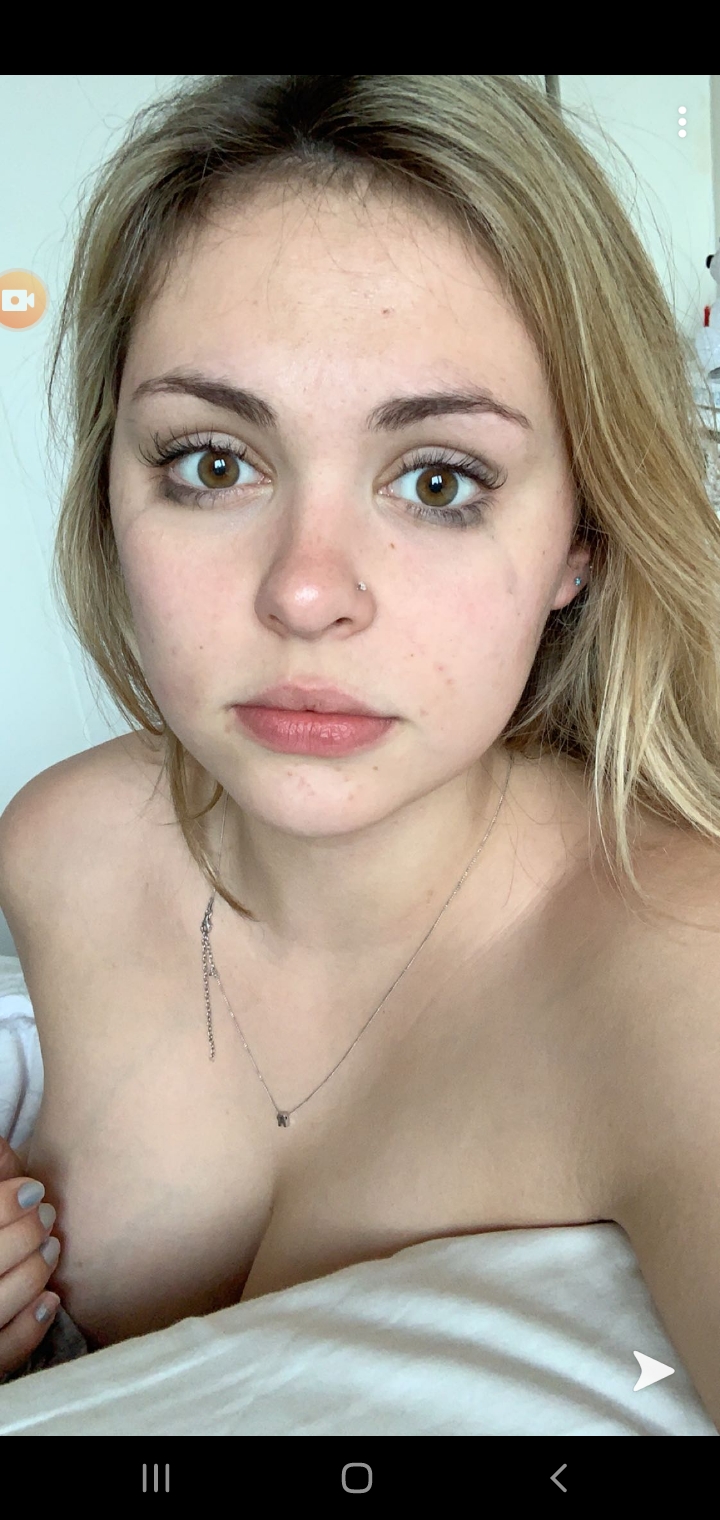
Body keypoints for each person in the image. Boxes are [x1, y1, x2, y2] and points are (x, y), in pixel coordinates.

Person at [1, 76, 719, 1424]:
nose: (306, 591)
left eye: (439, 480)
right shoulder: (66, 848)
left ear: (580, 540)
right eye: (213, 463)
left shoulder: (684, 971)